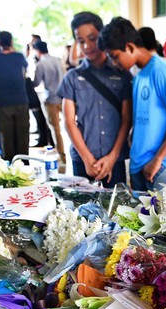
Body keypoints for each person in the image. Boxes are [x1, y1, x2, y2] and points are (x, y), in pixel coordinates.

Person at [99, 17, 166, 192]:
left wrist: (158, 159)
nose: (114, 63)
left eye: (115, 57)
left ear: (130, 47)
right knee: (140, 216)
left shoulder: (160, 70)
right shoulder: (139, 76)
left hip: (161, 165)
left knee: (161, 218)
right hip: (138, 162)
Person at [57, 12, 133, 187]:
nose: (87, 46)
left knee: (116, 211)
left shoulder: (121, 75)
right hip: (82, 160)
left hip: (114, 159)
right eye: (81, 40)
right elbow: (69, 122)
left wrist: (112, 158)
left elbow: (126, 119)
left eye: (92, 38)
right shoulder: (72, 77)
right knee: (83, 211)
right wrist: (87, 159)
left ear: (101, 35)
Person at [0, 31, 30, 162]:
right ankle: (24, 163)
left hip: (3, 101)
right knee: (22, 134)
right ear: (11, 42)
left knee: (7, 136)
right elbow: (24, 70)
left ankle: (9, 164)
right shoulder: (19, 56)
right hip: (21, 99)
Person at [33, 40, 66, 171]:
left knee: (55, 129)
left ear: (38, 51)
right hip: (63, 97)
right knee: (70, 126)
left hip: (50, 98)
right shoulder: (57, 60)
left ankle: (62, 156)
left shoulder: (41, 64)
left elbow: (36, 82)